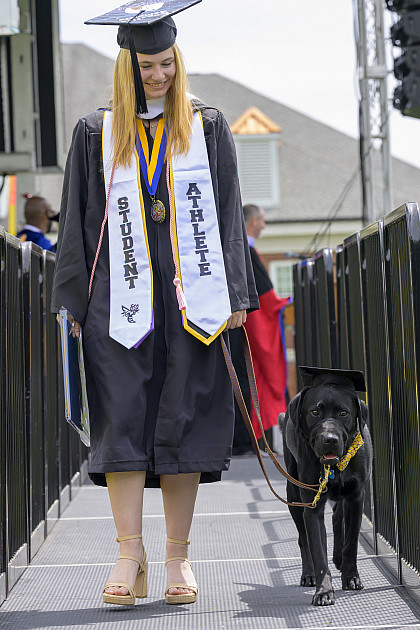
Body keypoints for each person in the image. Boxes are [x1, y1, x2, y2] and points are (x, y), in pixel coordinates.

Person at [51, 0, 258, 609]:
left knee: (182, 417)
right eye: (146, 65)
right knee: (120, 417)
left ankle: (177, 557)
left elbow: (225, 213)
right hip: (118, 296)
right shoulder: (96, 130)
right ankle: (127, 550)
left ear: (178, 59)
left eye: (166, 62)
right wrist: (69, 299)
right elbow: (76, 229)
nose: (158, 74)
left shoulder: (207, 125)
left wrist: (238, 294)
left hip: (190, 293)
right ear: (128, 64)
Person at [230, 204, 290, 455]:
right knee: (245, 378)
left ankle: (247, 442)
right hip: (243, 327)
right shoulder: (245, 251)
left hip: (236, 324)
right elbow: (264, 300)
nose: (264, 225)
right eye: (262, 220)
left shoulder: (238, 249)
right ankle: (244, 442)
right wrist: (284, 303)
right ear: (253, 220)